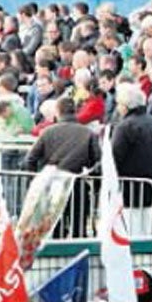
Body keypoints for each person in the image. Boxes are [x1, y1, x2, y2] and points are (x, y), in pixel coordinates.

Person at [23, 96, 101, 237]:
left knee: (54, 226)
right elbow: (98, 161)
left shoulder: (48, 132)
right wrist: (95, 183)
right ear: (75, 111)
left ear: (57, 112)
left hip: (53, 183)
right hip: (77, 183)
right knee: (79, 227)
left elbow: (30, 159)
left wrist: (34, 181)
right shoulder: (88, 133)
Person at [112, 82, 152, 236]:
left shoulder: (125, 126)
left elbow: (116, 156)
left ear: (125, 106)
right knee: (145, 229)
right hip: (150, 184)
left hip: (128, 188)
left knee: (130, 230)